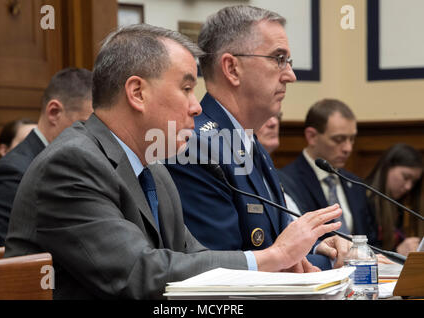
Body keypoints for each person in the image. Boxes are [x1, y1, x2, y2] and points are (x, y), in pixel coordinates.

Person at [4, 24, 343, 299]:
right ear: (137, 93)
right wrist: (272, 256)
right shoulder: (72, 164)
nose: (196, 107)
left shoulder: (154, 170)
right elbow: (140, 274)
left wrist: (277, 269)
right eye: (185, 88)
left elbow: (190, 259)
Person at [166, 6, 350, 271]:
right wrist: (334, 262)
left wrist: (319, 246)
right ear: (232, 68)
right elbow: (224, 270)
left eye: (288, 61)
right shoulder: (194, 148)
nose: (290, 75)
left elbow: (274, 236)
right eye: (278, 59)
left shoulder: (247, 140)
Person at [0, 68, 93, 248]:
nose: (96, 135)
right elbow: (9, 257)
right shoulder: (11, 173)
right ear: (54, 112)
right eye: (87, 124)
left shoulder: (80, 163)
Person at [281, 99, 377, 244]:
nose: (348, 148)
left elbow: (371, 239)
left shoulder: (355, 183)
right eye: (339, 139)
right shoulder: (286, 182)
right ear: (312, 136)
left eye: (352, 139)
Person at [365, 143, 424, 256]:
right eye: (405, 177)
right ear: (387, 168)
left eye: (414, 182)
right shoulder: (362, 199)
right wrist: (396, 252)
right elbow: (362, 250)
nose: (408, 187)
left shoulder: (398, 205)